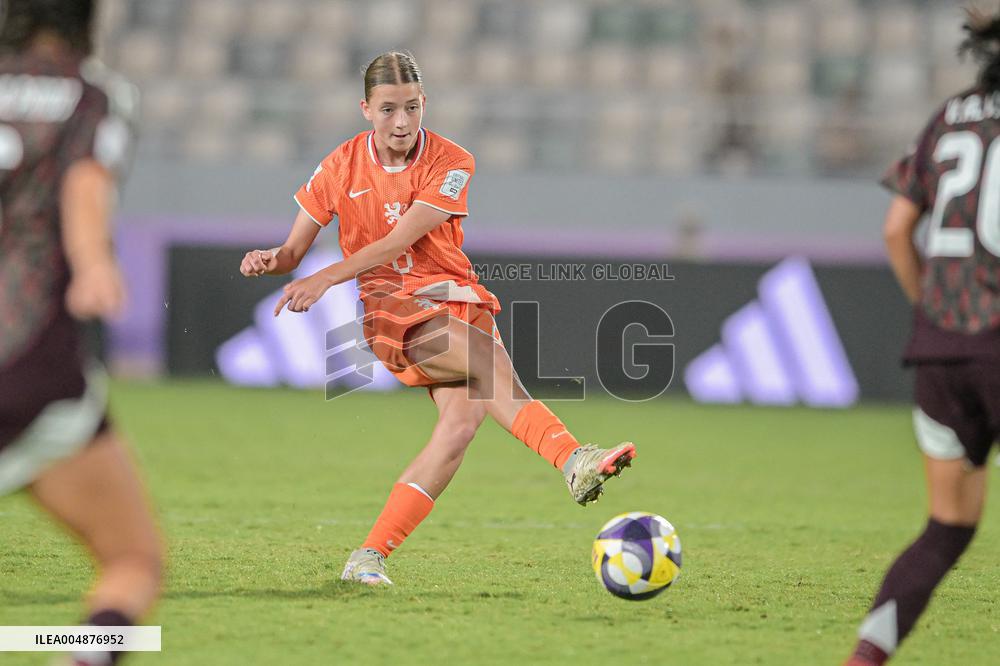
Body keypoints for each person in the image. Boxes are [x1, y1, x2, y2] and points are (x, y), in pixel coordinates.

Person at [240, 52, 636, 585]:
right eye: (387, 110)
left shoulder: (453, 161)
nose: (401, 122)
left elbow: (402, 237)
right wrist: (274, 260)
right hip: (392, 309)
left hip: (456, 298)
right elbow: (292, 253)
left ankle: (367, 557)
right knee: (484, 362)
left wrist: (324, 276)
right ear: (365, 109)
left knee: (458, 429)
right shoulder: (338, 168)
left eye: (411, 108)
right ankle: (572, 459)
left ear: (424, 103)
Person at [0, 1, 162, 663]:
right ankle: (83, 651)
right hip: (27, 366)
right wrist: (94, 262)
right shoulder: (90, 94)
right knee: (132, 559)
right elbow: (85, 183)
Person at [845, 9, 1000, 665]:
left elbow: (893, 229)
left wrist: (933, 309)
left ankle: (863, 659)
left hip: (941, 349)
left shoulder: (951, 116)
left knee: (946, 529)